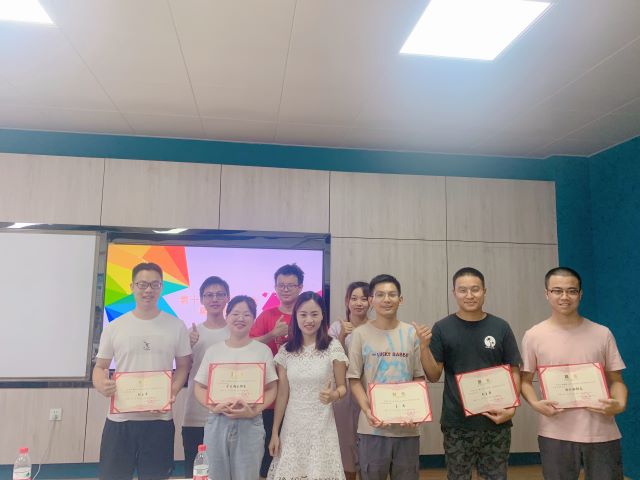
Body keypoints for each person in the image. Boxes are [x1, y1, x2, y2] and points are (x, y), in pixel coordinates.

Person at [520, 267, 627, 480]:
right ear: (547, 293)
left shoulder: (602, 333)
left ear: (580, 294)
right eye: (557, 291)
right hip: (555, 431)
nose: (564, 297)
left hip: (601, 431)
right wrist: (535, 404)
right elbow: (525, 381)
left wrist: (620, 403)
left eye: (571, 291)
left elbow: (616, 380)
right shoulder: (533, 336)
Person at [418, 267, 522, 480]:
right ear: (454, 293)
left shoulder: (501, 327)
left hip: (496, 421)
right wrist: (424, 347)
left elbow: (513, 369)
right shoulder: (442, 328)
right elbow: (434, 375)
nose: (469, 295)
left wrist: (511, 409)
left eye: (475, 289)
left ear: (484, 291)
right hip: (457, 424)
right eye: (463, 290)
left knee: (496, 477)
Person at [93, 262, 192, 480]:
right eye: (142, 284)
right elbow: (100, 367)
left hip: (159, 419)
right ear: (132, 287)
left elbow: (184, 366)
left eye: (155, 285)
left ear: (161, 287)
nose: (148, 290)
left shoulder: (176, 326)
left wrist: (173, 391)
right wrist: (101, 384)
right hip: (120, 419)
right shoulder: (115, 327)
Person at [347, 274, 425, 480]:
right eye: (380, 295)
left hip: (407, 429)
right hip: (372, 428)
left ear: (401, 299)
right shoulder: (360, 334)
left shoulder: (411, 333)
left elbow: (418, 377)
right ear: (371, 300)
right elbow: (354, 379)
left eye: (392, 294)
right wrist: (367, 410)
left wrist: (417, 412)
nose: (386, 299)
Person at [193, 295, 278, 480]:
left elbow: (272, 388)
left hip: (250, 422)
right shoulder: (213, 351)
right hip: (217, 421)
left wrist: (255, 410)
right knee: (215, 476)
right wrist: (213, 406)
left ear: (253, 319)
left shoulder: (262, 350)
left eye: (247, 314)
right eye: (235, 314)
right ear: (227, 316)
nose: (241, 318)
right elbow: (199, 386)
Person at [268, 291, 348, 480]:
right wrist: (275, 432)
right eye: (303, 314)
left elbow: (343, 387)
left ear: (322, 316)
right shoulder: (286, 351)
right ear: (295, 317)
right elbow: (282, 395)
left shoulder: (333, 347)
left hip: (321, 425)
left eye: (314, 314)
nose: (309, 320)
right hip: (292, 426)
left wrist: (334, 395)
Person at [250, 263, 304, 478]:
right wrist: (272, 334)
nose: (285, 289)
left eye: (291, 285)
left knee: (296, 458)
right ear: (275, 287)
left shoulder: (308, 315)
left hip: (300, 398)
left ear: (300, 287)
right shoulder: (266, 315)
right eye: (281, 285)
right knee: (268, 456)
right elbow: (249, 344)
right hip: (271, 397)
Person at [181, 276, 231, 478]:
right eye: (209, 295)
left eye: (220, 294)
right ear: (201, 299)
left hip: (229, 412)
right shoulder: (192, 333)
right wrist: (189, 345)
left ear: (228, 297)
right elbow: (183, 369)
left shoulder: (236, 331)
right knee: (196, 472)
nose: (214, 299)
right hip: (196, 413)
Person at [328, 281, 370, 480]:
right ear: (347, 301)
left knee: (367, 439)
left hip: (367, 389)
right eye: (354, 298)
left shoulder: (375, 327)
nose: (359, 303)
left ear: (371, 301)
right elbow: (329, 360)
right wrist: (342, 336)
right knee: (345, 441)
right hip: (343, 391)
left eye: (364, 298)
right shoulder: (336, 327)